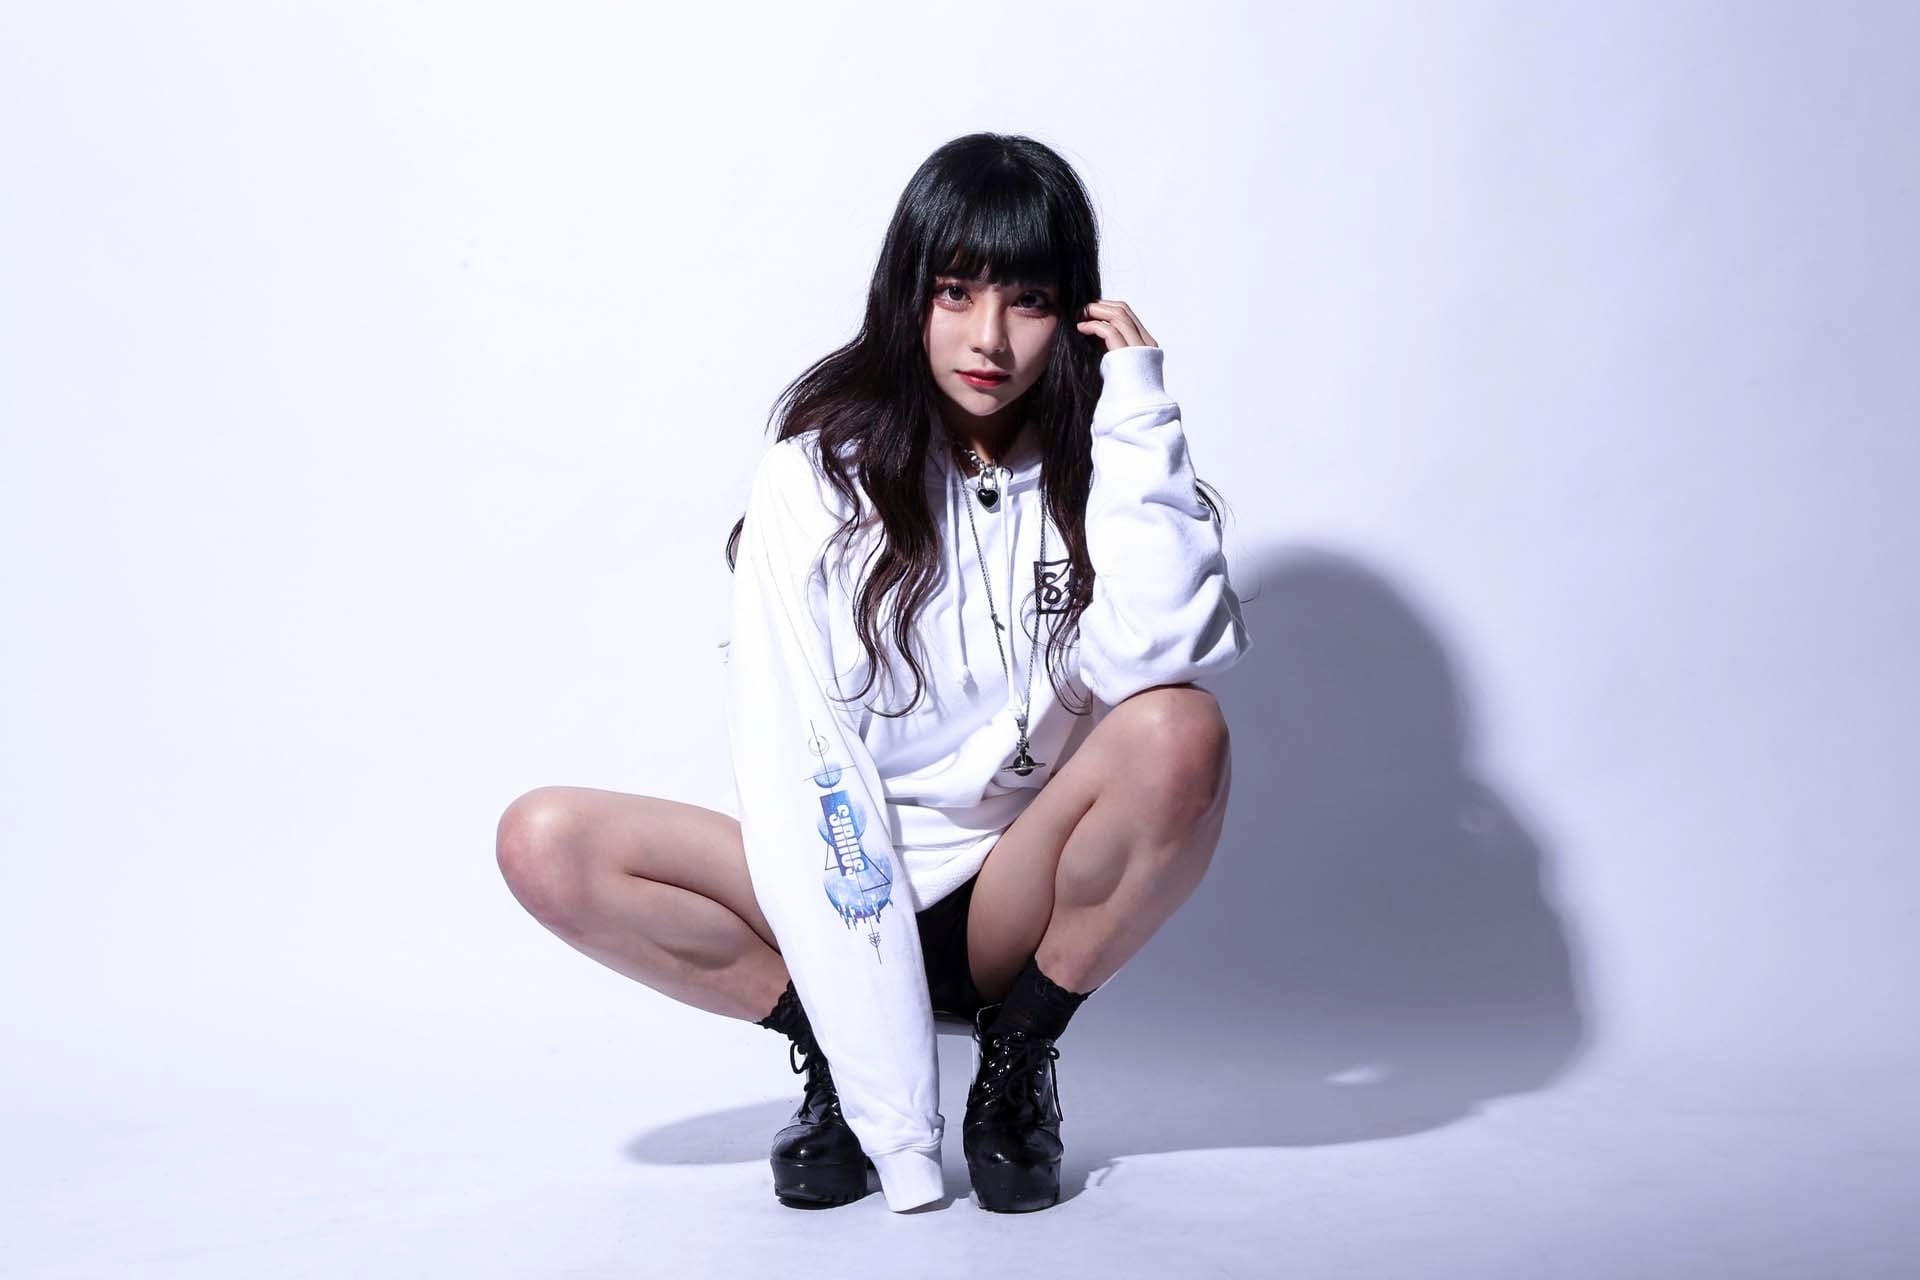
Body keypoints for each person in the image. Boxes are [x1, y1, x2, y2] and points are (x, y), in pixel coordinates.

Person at [495, 131, 1251, 1215]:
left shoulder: (1106, 464)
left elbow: (1160, 656)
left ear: (1074, 313)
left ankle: (1017, 1057)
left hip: (1011, 890)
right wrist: (892, 1116)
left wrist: (1137, 409)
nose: (988, 337)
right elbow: (799, 756)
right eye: (955, 292)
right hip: (838, 862)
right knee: (546, 840)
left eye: (1029, 301)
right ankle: (834, 1059)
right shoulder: (818, 476)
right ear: (909, 293)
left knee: (1182, 728)